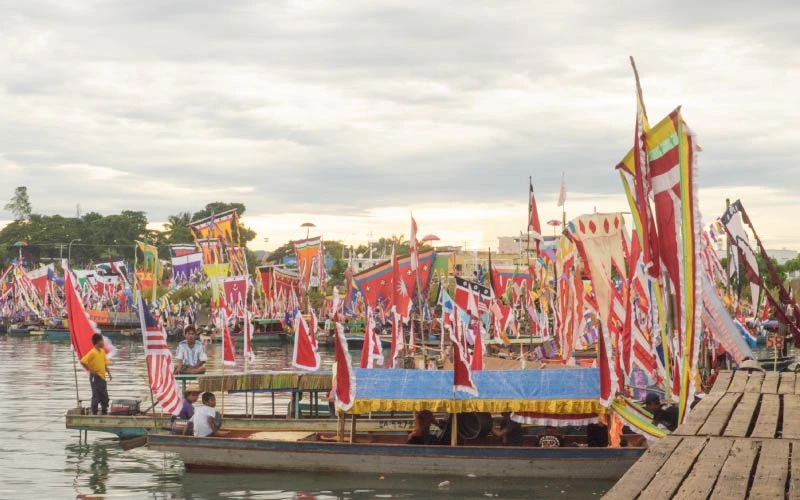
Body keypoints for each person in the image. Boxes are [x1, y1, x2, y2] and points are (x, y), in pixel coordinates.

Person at [80, 333, 112, 415]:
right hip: (95, 377)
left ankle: (104, 411)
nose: (103, 343)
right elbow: (83, 361)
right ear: (98, 342)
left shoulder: (102, 351)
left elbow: (105, 363)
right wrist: (90, 370)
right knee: (96, 395)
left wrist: (109, 373)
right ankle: (94, 412)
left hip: (102, 377)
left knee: (104, 395)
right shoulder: (92, 352)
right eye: (102, 341)